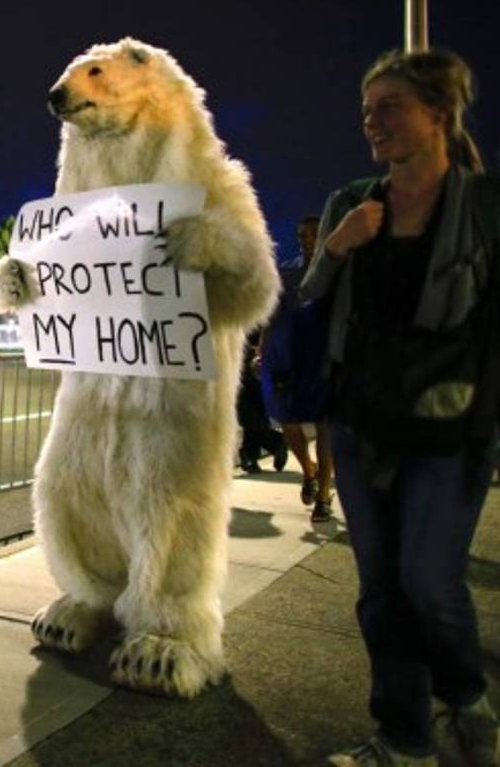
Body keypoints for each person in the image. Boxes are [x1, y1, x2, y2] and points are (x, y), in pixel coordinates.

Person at [301, 49, 499, 766]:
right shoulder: (352, 201)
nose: (371, 123)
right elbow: (311, 298)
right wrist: (339, 249)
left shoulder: (484, 206)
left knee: (427, 579)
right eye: (365, 111)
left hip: (451, 429)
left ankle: (467, 695)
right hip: (361, 425)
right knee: (381, 593)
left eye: (389, 107)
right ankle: (404, 738)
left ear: (439, 115)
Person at [254, 215, 335, 522]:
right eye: (301, 234)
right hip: (287, 355)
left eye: (313, 234)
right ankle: (309, 470)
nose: (306, 239)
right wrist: (261, 348)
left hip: (324, 356)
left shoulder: (337, 270)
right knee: (287, 421)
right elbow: (271, 313)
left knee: (327, 424)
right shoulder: (286, 271)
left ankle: (324, 495)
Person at [238, 329, 288, 474]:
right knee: (247, 408)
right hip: (237, 346)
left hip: (259, 350)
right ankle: (272, 443)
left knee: (250, 406)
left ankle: (252, 453)